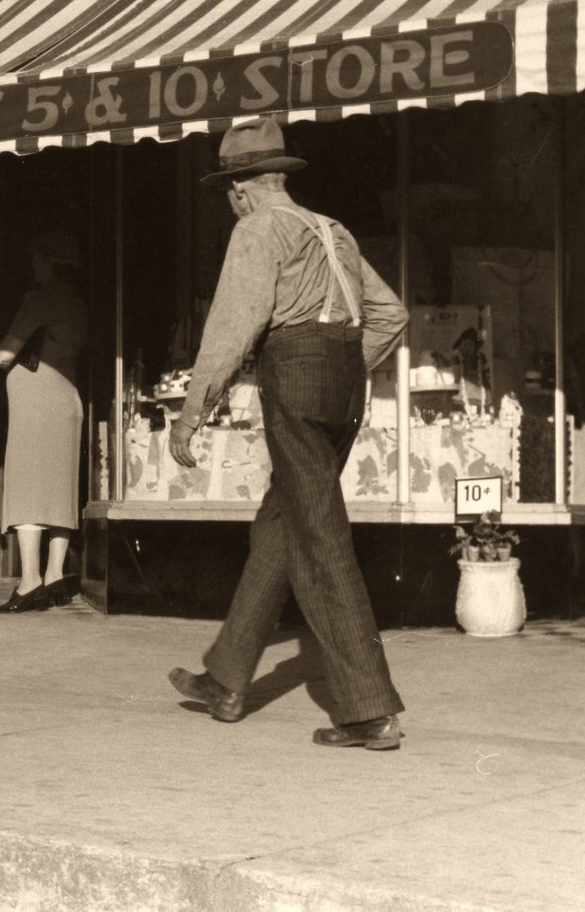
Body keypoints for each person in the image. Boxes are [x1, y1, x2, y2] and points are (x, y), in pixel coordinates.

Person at [167, 115, 409, 751]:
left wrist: (192, 413)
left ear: (240, 188)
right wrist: (340, 366)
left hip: (295, 378)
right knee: (286, 523)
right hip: (345, 382)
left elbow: (232, 327)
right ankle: (226, 680)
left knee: (320, 537)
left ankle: (368, 710)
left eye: (228, 190)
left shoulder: (257, 229)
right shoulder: (333, 230)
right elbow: (391, 314)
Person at [0, 229, 88, 613]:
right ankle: (54, 576)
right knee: (59, 489)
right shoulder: (77, 302)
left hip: (37, 404)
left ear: (48, 262)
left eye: (36, 259)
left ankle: (30, 580)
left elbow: (4, 354)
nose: (32, 266)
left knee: (28, 488)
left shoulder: (40, 299)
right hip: (67, 399)